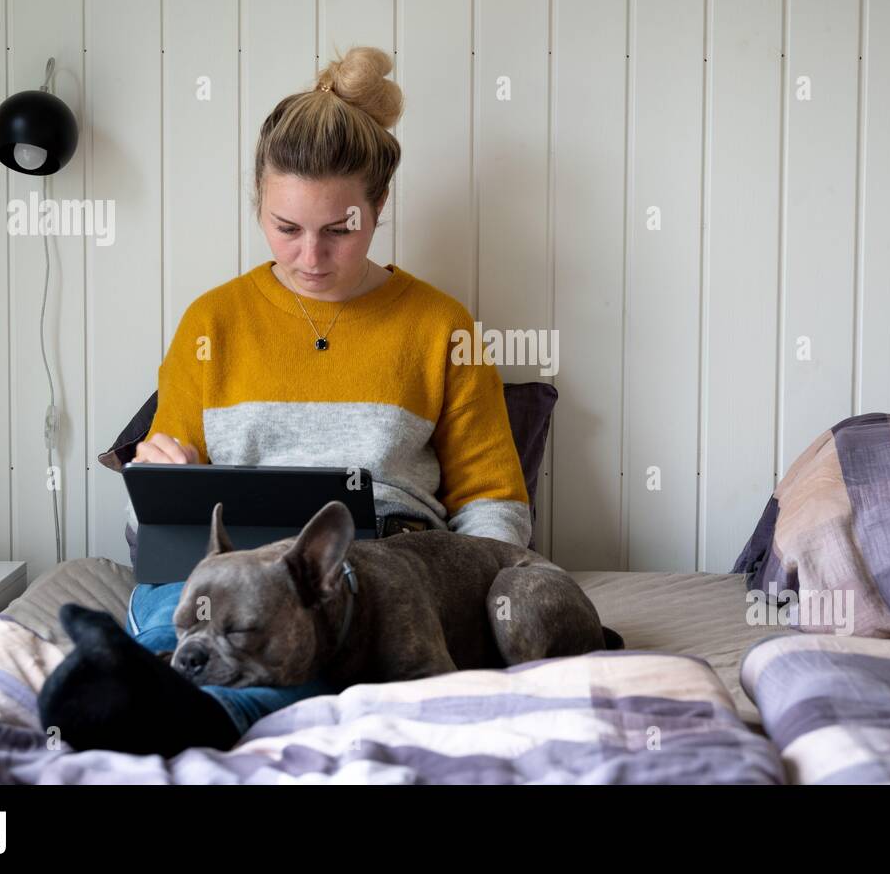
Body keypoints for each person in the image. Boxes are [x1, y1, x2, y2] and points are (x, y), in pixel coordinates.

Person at [37, 47, 532, 757]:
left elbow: (495, 511)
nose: (310, 258)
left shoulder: (438, 325)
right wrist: (159, 472)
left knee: (309, 643)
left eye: (340, 229)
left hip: (367, 571)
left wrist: (454, 593)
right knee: (168, 621)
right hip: (220, 572)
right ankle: (130, 677)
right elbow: (158, 526)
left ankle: (201, 713)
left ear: (380, 206)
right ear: (258, 204)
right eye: (286, 227)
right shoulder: (212, 322)